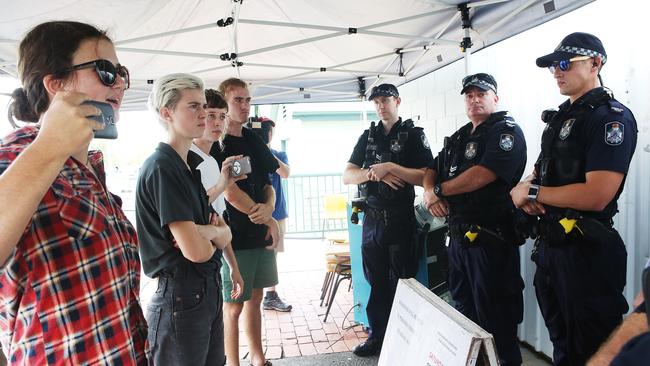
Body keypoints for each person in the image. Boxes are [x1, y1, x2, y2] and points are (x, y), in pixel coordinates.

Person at [0, 21, 147, 364]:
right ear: (56, 84)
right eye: (106, 71)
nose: (121, 84)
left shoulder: (87, 168)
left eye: (121, 72)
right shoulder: (15, 157)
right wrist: (48, 145)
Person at [510, 32, 638, 365]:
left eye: (565, 63)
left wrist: (534, 193)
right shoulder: (560, 119)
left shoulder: (611, 118)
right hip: (552, 249)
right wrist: (522, 190)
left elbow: (598, 194)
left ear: (596, 63)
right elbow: (539, 172)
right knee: (564, 346)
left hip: (587, 254)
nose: (557, 71)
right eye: (553, 65)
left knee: (593, 350)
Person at [136, 74, 241, 365]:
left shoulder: (189, 165)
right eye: (193, 107)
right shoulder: (162, 167)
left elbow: (220, 233)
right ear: (166, 113)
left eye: (203, 106)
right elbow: (197, 250)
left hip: (203, 291)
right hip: (180, 295)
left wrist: (207, 232)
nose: (204, 115)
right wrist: (214, 234)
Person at [423, 73, 527, 366]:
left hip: (490, 240)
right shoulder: (460, 136)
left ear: (496, 98)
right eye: (469, 95)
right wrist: (431, 190)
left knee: (495, 317)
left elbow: (484, 174)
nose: (475, 99)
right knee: (465, 313)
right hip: (458, 239)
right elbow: (431, 168)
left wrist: (441, 189)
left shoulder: (506, 132)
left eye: (482, 94)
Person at [342, 83, 434, 357]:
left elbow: (427, 176)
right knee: (377, 283)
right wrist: (373, 173)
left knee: (404, 282)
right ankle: (377, 337)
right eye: (377, 101)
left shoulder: (413, 135)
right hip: (372, 221)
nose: (381, 105)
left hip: (400, 219)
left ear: (398, 101)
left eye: (386, 100)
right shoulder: (368, 136)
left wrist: (393, 168)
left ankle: (407, 341)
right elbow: (348, 175)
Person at [217, 78, 280, 366]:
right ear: (224, 104)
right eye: (237, 100)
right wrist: (263, 214)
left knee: (255, 298)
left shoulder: (254, 138)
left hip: (260, 233)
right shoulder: (218, 141)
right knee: (233, 305)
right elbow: (228, 192)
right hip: (233, 238)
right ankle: (233, 363)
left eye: (247, 100)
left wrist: (268, 209)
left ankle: (258, 357)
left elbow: (269, 182)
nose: (244, 106)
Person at [258, 117, 293, 312]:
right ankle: (264, 294)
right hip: (254, 212)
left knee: (272, 253)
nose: (265, 133)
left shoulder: (278, 154)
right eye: (262, 130)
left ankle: (270, 294)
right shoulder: (249, 153)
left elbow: (285, 173)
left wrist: (266, 152)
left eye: (267, 130)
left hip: (277, 212)